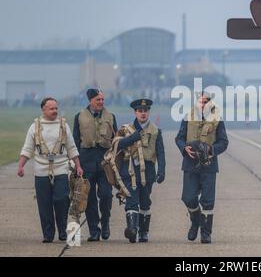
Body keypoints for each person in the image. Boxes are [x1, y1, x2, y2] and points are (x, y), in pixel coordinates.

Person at [17, 97, 83, 243]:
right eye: (51, 108)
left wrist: (78, 166)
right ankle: (48, 234)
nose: (55, 111)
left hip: (61, 170)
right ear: (43, 110)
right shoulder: (34, 127)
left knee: (61, 201)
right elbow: (28, 149)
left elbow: (72, 148)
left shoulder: (63, 126)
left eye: (56, 108)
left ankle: (62, 232)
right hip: (41, 172)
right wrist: (21, 166)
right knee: (44, 204)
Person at [175, 92, 228, 244]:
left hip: (209, 165)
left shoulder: (217, 119)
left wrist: (211, 150)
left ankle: (206, 233)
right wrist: (184, 148)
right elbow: (179, 138)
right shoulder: (187, 117)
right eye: (201, 101)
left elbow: (224, 142)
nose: (203, 104)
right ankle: (195, 222)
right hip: (190, 164)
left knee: (208, 201)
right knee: (188, 198)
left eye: (206, 102)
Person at [116, 99, 166, 243]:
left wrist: (161, 171)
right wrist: (132, 138)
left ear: (148, 112)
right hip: (130, 170)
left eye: (145, 110)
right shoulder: (126, 129)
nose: (143, 113)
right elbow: (117, 145)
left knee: (145, 201)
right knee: (131, 200)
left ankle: (144, 232)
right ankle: (132, 230)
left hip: (148, 171)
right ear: (135, 112)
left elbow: (160, 152)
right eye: (140, 111)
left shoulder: (156, 131)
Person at [73, 89, 117, 241]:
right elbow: (75, 142)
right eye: (98, 99)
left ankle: (105, 224)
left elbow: (116, 141)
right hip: (86, 163)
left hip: (105, 164)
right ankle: (94, 230)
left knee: (106, 195)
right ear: (90, 100)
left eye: (103, 99)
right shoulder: (79, 117)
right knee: (89, 198)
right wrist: (76, 164)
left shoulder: (111, 117)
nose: (101, 102)